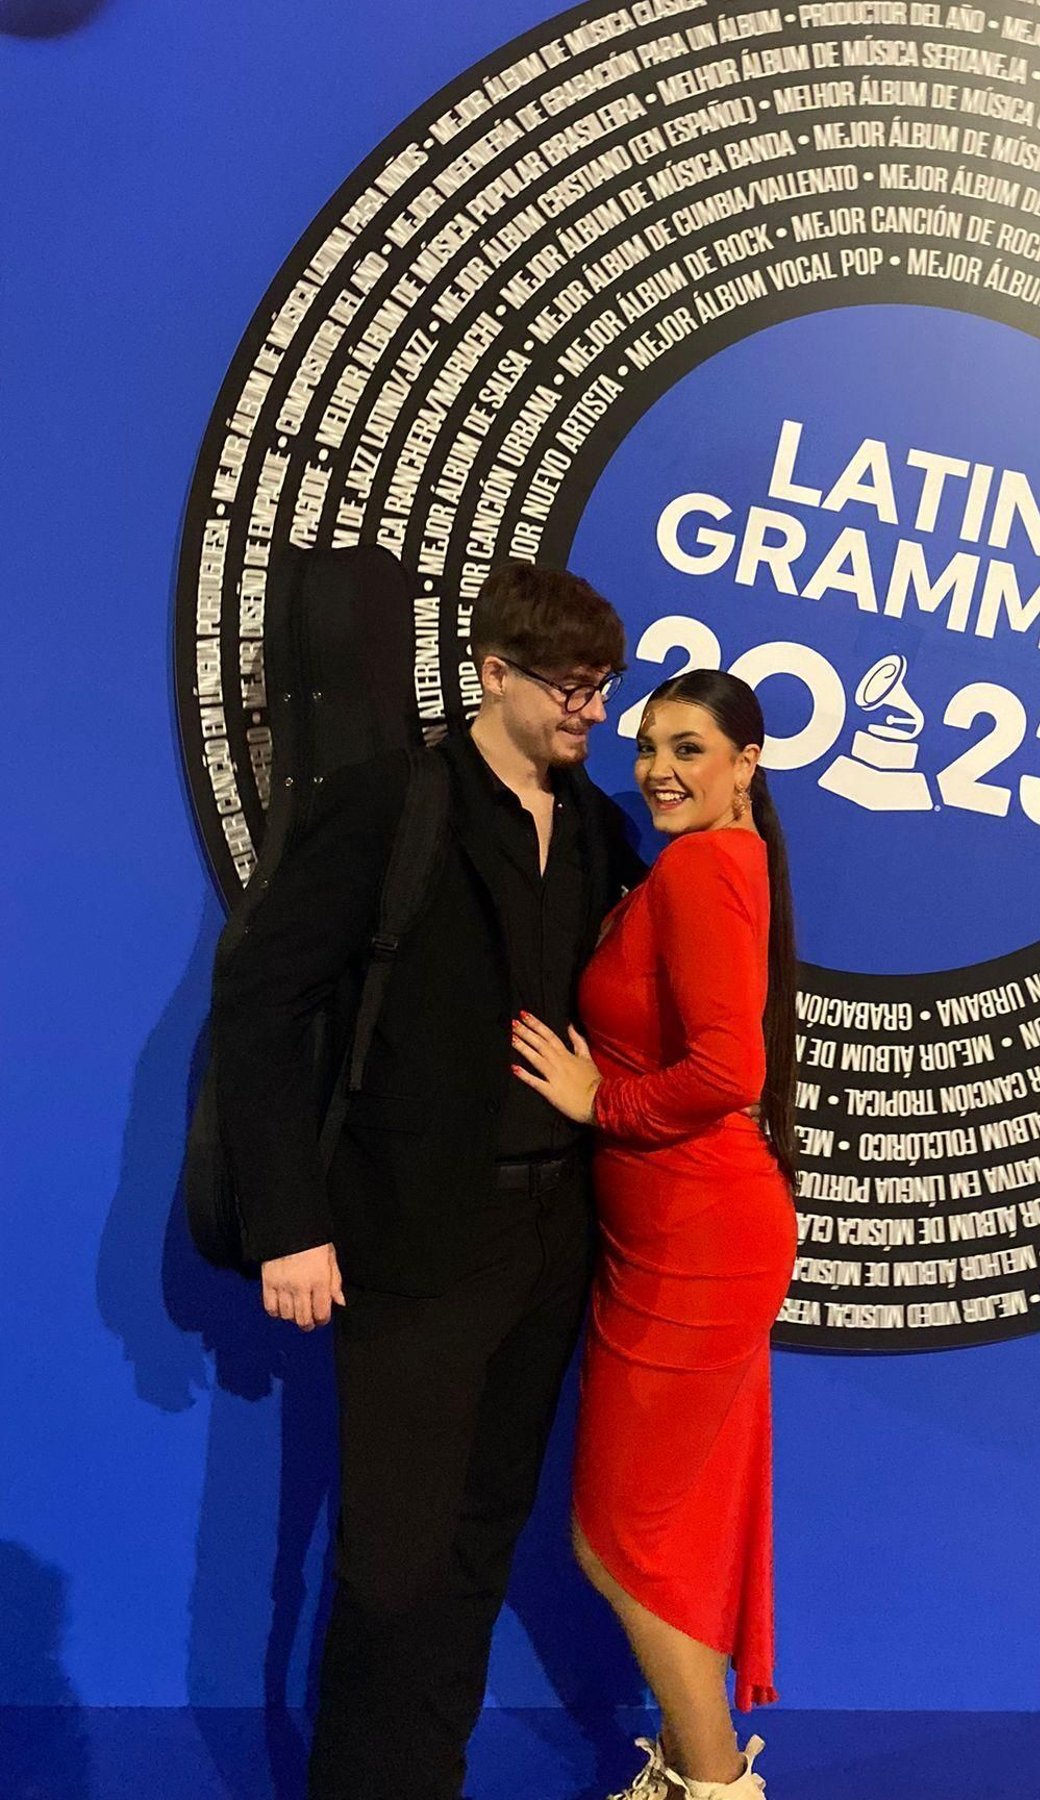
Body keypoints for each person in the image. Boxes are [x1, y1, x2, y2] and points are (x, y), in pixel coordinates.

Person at [209, 562, 644, 1800]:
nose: (590, 712)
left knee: (475, 1548)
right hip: (407, 1238)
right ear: (492, 672)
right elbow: (259, 1005)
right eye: (568, 685)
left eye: (603, 688)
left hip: (551, 1236)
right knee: (391, 1560)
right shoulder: (387, 804)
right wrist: (288, 1222)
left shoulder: (599, 826)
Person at [510, 668, 799, 1800]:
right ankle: (693, 1770)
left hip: (697, 1229)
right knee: (656, 1535)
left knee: (620, 1537)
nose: (660, 770)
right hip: (666, 1227)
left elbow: (731, 1069)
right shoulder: (699, 866)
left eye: (690, 748)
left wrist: (602, 1105)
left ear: (745, 764)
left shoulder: (706, 870)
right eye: (649, 747)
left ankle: (714, 1787)